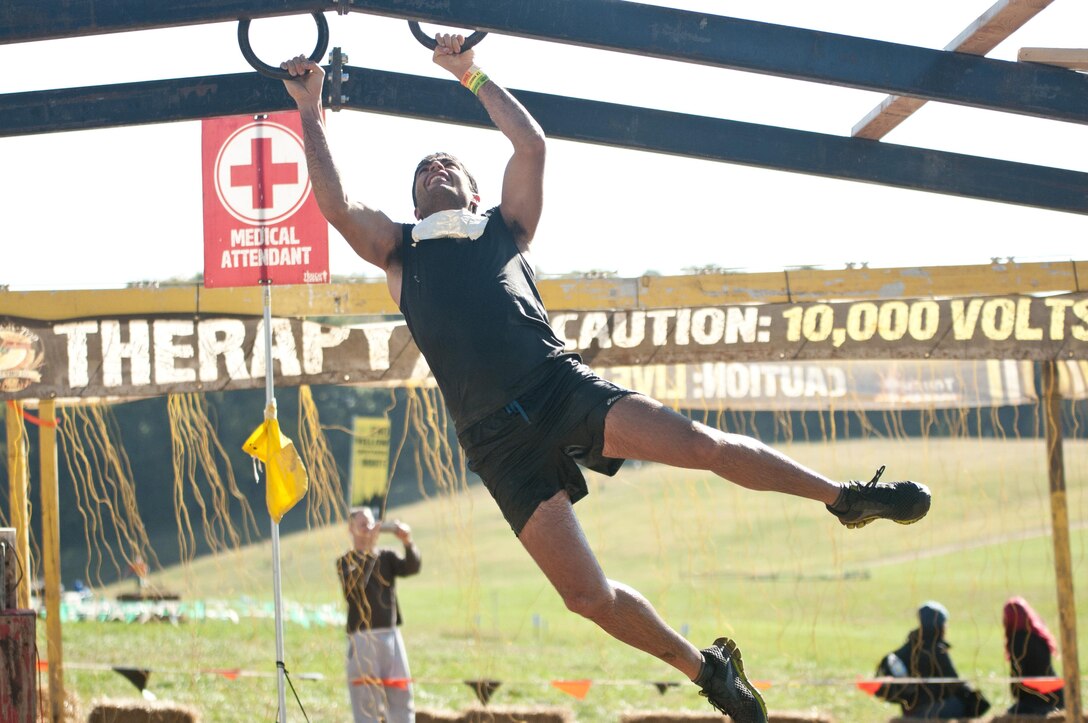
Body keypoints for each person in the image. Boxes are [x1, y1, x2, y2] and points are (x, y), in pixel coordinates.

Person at [280, 36, 931, 723]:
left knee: (704, 446)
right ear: (414, 201)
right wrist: (312, 110)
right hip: (497, 444)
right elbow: (337, 203)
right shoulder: (400, 249)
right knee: (584, 595)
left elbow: (530, 146)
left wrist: (468, 74)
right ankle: (707, 669)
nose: (435, 168)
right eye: (423, 171)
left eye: (448, 163)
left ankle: (847, 497)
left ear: (472, 191)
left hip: (561, 390)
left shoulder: (504, 227)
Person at [336, 507, 421, 723]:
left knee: (401, 694)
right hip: (362, 639)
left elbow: (412, 567)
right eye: (362, 524)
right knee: (366, 703)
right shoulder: (346, 562)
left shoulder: (387, 557)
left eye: (370, 523)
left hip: (390, 636)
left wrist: (407, 542)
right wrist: (369, 550)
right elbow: (357, 587)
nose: (368, 528)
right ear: (351, 528)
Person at [875, 601, 989, 719]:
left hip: (909, 710)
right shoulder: (936, 649)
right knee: (967, 703)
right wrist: (976, 699)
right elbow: (953, 682)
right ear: (940, 625)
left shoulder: (909, 646)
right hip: (932, 710)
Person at [1004, 596, 1064, 716]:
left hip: (1037, 700)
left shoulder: (1018, 640)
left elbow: (1017, 681)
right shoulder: (1040, 636)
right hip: (1059, 695)